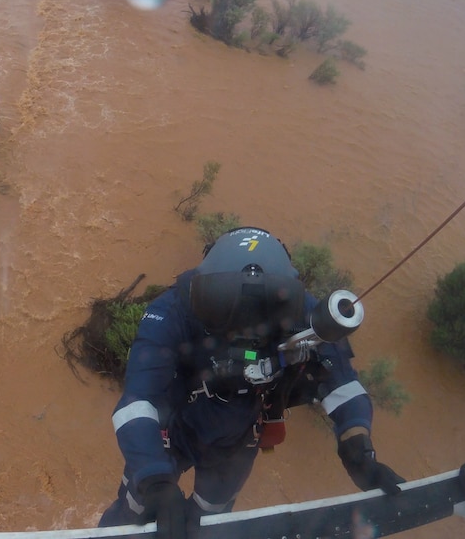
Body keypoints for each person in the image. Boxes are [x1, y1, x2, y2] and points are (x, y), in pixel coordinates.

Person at [98, 226, 405, 539]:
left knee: (208, 521)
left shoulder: (304, 313)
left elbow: (342, 384)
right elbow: (138, 399)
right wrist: (156, 480)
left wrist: (357, 447)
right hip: (172, 430)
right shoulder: (176, 308)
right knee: (135, 507)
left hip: (237, 442)